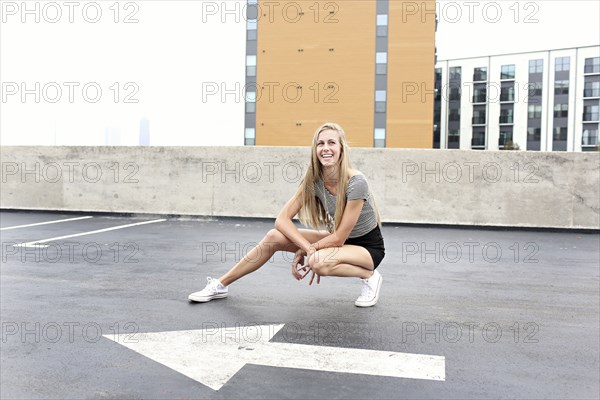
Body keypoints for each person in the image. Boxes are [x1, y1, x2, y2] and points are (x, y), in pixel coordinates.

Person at [188, 122, 385, 307]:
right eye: (320, 143)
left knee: (318, 262)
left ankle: (369, 275)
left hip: (366, 248)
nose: (326, 148)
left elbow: (340, 237)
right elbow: (282, 220)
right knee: (274, 237)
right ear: (315, 150)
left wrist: (310, 250)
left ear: (341, 149)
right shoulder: (314, 181)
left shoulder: (356, 182)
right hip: (338, 242)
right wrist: (306, 247)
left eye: (332, 143)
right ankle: (221, 285)